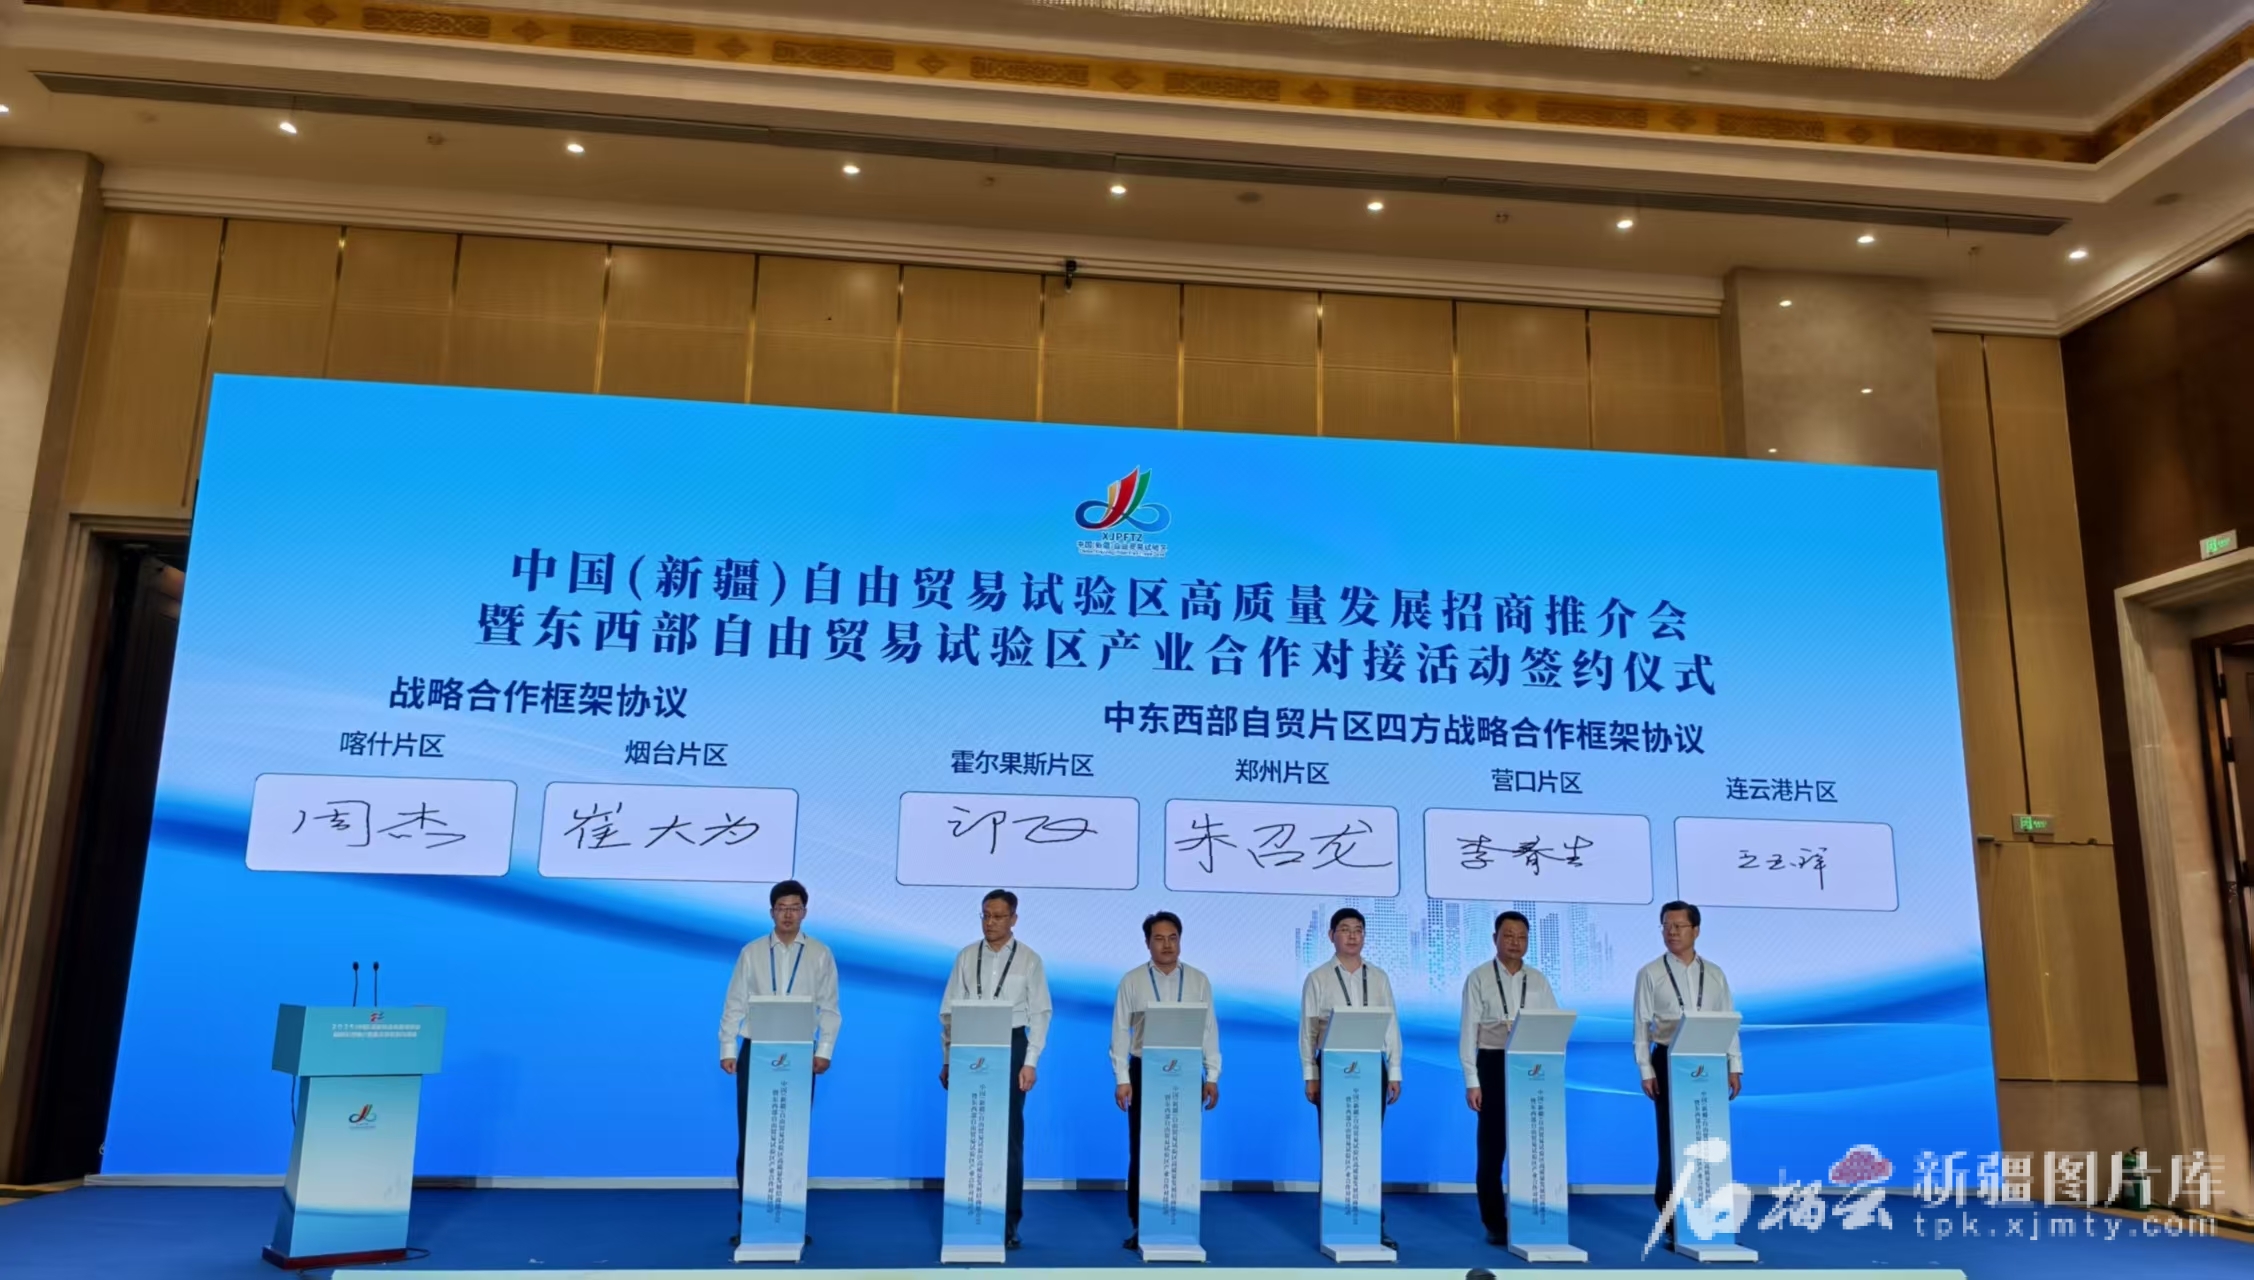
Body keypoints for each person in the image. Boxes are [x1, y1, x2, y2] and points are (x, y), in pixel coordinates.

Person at [717, 879, 842, 1246]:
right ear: (771, 912)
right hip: (757, 1048)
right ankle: (750, 1221)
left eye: (795, 907)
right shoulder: (752, 952)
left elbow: (830, 1007)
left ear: (805, 911)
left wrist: (825, 1050)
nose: (788, 914)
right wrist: (727, 1048)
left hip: (800, 1051)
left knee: (792, 1137)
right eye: (782, 908)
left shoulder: (820, 953)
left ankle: (789, 1220)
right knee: (752, 1136)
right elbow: (735, 1002)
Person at [939, 888, 1052, 1250]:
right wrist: (948, 1057)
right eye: (986, 915)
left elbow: (1041, 1014)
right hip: (968, 1043)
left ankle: (1008, 1221)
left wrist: (1030, 1062)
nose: (991, 922)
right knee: (967, 1130)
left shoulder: (1029, 959)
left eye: (999, 916)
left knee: (1008, 1136)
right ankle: (965, 1211)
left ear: (1013, 919)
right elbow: (948, 1012)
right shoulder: (965, 956)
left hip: (1011, 1043)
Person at [1109, 911, 1221, 1251]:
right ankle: (1141, 1223)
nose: (1167, 945)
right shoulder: (1133, 981)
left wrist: (1212, 1075)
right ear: (1147, 943)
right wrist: (1122, 1078)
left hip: (1187, 1070)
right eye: (1159, 938)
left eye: (1173, 937)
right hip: (1145, 1069)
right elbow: (1120, 1031)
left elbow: (1209, 1030)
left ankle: (1180, 1218)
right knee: (1143, 1147)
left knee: (1182, 1144)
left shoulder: (1198, 980)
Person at [1633, 900, 1743, 1230]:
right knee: (1672, 1140)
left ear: (1696, 930)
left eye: (1679, 926)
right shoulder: (1650, 973)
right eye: (1666, 926)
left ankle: (1709, 1214)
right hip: (1668, 1058)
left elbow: (1728, 1021)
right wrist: (1646, 1070)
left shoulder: (1715, 974)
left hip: (1708, 1060)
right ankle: (1671, 1218)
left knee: (1708, 1138)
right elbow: (1641, 1026)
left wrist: (1734, 1066)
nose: (1671, 932)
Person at [1299, 906, 1402, 1250]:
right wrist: (1310, 1075)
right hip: (1332, 1068)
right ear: (1331, 935)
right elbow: (1307, 1032)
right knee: (1335, 1145)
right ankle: (1336, 1222)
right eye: (1345, 929)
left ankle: (1373, 1224)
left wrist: (1395, 1070)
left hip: (1372, 1066)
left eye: (1358, 929)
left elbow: (1391, 1026)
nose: (1352, 935)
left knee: (1368, 1146)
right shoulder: (1318, 978)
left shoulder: (1379, 977)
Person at [1460, 910, 1558, 1246]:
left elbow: (1553, 1026)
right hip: (1492, 1062)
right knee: (1492, 1148)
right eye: (1508, 935)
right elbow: (1468, 1033)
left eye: (1522, 937)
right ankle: (1494, 1222)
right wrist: (1472, 1080)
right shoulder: (1479, 978)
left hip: (1531, 1066)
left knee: (1532, 1143)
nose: (1515, 942)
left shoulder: (1538, 980)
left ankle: (1532, 1214)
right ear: (1495, 939)